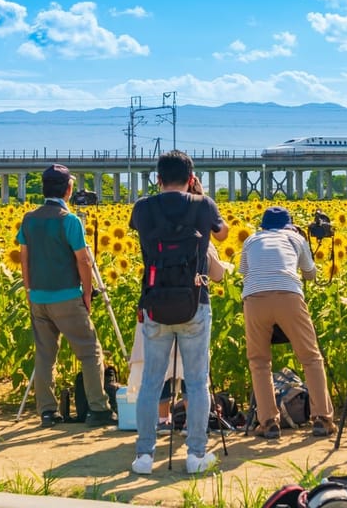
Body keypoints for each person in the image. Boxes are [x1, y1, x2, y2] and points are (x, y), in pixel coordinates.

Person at [128, 150, 229, 475]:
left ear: (158, 178)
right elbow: (223, 232)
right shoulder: (203, 205)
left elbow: (138, 228)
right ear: (191, 177)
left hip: (155, 303)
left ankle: (144, 456)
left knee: (151, 383)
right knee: (198, 382)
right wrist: (198, 195)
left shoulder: (143, 207)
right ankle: (196, 456)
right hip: (194, 303)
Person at [18, 164, 115, 428]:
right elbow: (83, 260)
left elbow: (24, 258)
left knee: (45, 354)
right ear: (69, 189)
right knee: (90, 351)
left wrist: (29, 290)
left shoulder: (29, 218)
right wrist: (87, 292)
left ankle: (47, 411)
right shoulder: (69, 220)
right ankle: (98, 408)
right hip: (66, 296)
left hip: (38, 296)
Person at [240, 205, 334, 440]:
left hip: (254, 299)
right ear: (289, 225)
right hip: (288, 296)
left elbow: (245, 271)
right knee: (311, 358)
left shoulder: (251, 239)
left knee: (259, 362)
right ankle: (322, 418)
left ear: (263, 226)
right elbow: (310, 273)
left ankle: (269, 422)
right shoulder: (294, 237)